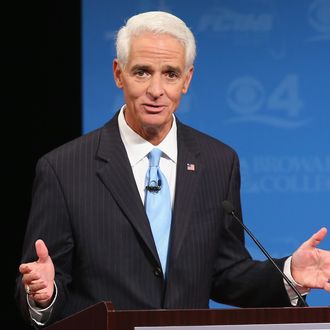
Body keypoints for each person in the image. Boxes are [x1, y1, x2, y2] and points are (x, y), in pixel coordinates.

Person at [15, 11, 330, 329]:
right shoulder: (63, 169)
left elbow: (226, 274)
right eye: (142, 72)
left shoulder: (218, 162)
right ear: (118, 73)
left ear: (187, 80)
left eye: (170, 74)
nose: (156, 89)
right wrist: (44, 295)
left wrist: (289, 273)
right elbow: (41, 280)